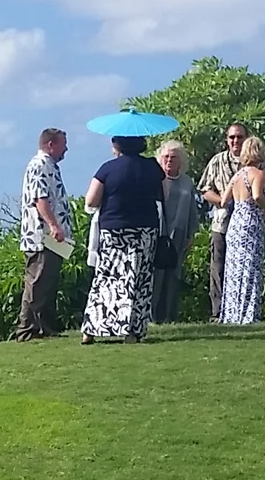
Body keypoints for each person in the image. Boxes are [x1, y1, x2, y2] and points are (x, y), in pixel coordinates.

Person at [79, 136, 166, 344]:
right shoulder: (153, 167)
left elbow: (91, 200)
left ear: (118, 145)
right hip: (145, 229)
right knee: (138, 279)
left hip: (113, 229)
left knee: (106, 278)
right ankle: (132, 330)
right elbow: (162, 196)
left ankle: (91, 328)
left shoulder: (107, 169)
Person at [13, 128, 73, 340]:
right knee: (37, 283)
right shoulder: (39, 165)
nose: (66, 149)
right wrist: (54, 226)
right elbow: (40, 199)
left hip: (51, 238)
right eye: (63, 144)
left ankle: (44, 327)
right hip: (42, 237)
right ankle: (26, 329)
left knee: (48, 283)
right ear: (51, 144)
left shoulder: (50, 166)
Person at [196, 122, 251, 320]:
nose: (236, 141)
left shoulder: (256, 161)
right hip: (222, 222)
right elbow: (205, 189)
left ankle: (242, 311)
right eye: (232, 137)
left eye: (240, 137)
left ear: (246, 139)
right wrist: (222, 201)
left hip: (247, 223)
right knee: (218, 266)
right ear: (227, 140)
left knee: (245, 267)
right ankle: (217, 312)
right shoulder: (217, 161)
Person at [216, 137, 265, 325]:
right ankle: (248, 314)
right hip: (250, 221)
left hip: (235, 222)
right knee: (250, 268)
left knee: (234, 269)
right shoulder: (258, 174)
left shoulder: (237, 175)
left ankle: (232, 313)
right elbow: (257, 196)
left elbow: (223, 201)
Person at [153, 140, 202, 325]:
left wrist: (191, 234)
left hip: (179, 234)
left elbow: (192, 210)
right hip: (159, 233)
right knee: (156, 275)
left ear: (180, 160)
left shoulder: (187, 182)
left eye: (173, 157)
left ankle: (169, 316)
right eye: (166, 157)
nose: (169, 160)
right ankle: (152, 315)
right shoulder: (156, 180)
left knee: (174, 275)